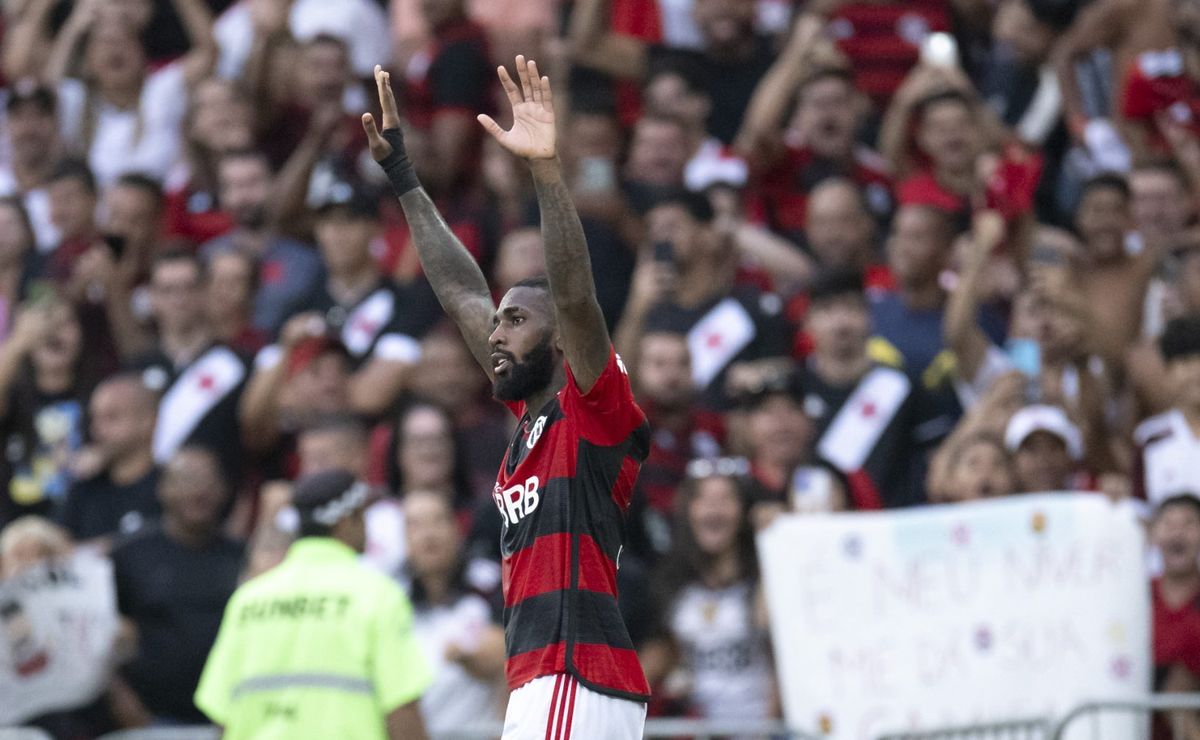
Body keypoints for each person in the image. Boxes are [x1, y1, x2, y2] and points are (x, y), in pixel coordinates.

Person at [363, 56, 650, 737]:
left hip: (572, 672)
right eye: (499, 321)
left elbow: (576, 296)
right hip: (550, 677)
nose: (495, 332)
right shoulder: (529, 418)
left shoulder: (594, 407)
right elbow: (462, 291)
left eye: (516, 320)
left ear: (560, 345)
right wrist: (405, 179)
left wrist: (546, 172)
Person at [195, 469, 431, 740]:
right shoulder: (377, 597)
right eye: (362, 515)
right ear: (344, 520)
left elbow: (222, 714)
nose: (367, 526)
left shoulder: (248, 601)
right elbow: (402, 710)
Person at [110, 446, 243, 727]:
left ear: (225, 489)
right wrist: (121, 701)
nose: (199, 491)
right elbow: (98, 635)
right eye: (186, 479)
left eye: (208, 481)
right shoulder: (129, 554)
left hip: (226, 718)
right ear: (162, 488)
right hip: (151, 718)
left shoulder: (242, 556)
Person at [640, 463, 775, 726]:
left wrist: (771, 537)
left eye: (725, 499)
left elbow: (777, 657)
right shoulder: (671, 586)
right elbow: (659, 658)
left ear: (744, 511)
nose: (714, 509)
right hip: (695, 729)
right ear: (688, 511)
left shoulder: (762, 580)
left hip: (758, 728)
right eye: (703, 499)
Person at [402, 489, 506, 734]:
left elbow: (504, 654)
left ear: (457, 528)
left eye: (438, 520)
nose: (428, 534)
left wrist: (468, 656)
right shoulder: (393, 597)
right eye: (415, 525)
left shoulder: (490, 583)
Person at [0, 298, 91, 527]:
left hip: (82, 533)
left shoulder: (101, 393)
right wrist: (20, 342)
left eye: (65, 323)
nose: (53, 333)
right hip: (16, 534)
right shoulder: (11, 396)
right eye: (45, 324)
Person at [58, 373, 160, 544]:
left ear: (148, 421)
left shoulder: (168, 488)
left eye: (112, 418)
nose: (98, 430)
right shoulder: (83, 490)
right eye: (95, 418)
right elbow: (59, 547)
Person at [1149, 494, 1200, 739]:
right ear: (1153, 535)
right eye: (1169, 524)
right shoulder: (1136, 597)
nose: (1177, 533)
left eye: (1189, 524)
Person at [1136, 317, 1200, 505]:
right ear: (1167, 372)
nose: (1197, 371)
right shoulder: (1149, 438)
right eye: (1186, 361)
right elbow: (1141, 510)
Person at [1003, 404, 1085, 493]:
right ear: (1013, 460)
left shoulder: (1094, 501)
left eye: (1053, 447)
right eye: (1031, 450)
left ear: (1068, 455)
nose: (1043, 460)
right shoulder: (993, 504)